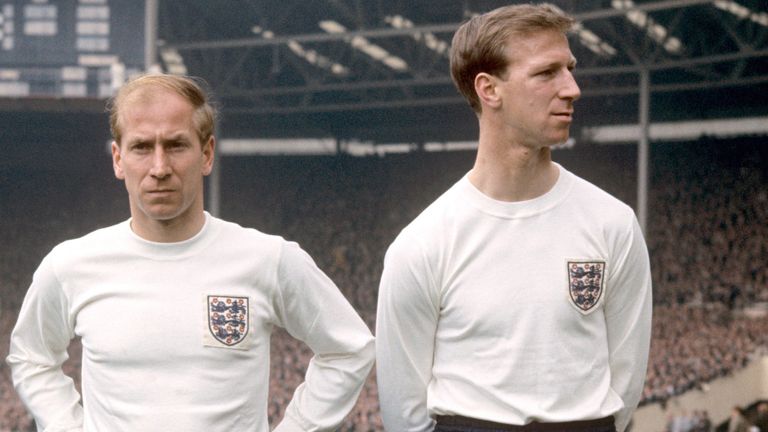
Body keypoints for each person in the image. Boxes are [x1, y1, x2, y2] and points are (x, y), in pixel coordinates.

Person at [7, 73, 375, 432]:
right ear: (118, 159)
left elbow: (349, 349)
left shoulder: (269, 258)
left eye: (176, 145)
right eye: (141, 147)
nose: (159, 168)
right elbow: (31, 357)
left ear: (207, 153)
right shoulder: (70, 264)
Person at [375, 4, 652, 432]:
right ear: (489, 90)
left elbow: (627, 377)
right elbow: (402, 406)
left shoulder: (612, 222)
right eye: (547, 73)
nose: (572, 88)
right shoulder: (423, 243)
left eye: (570, 69)